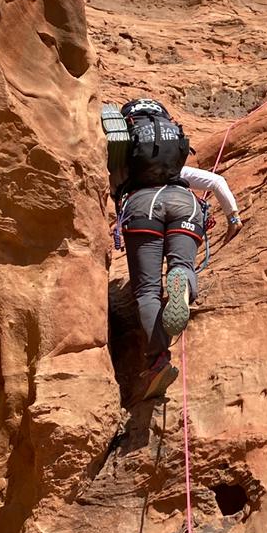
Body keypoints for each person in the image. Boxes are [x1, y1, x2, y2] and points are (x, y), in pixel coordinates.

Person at [109, 99, 243, 402]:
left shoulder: (124, 163)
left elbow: (110, 187)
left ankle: (158, 360)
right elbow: (216, 181)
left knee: (147, 291)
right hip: (184, 202)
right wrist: (233, 218)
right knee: (183, 264)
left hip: (142, 205)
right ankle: (181, 282)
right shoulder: (174, 164)